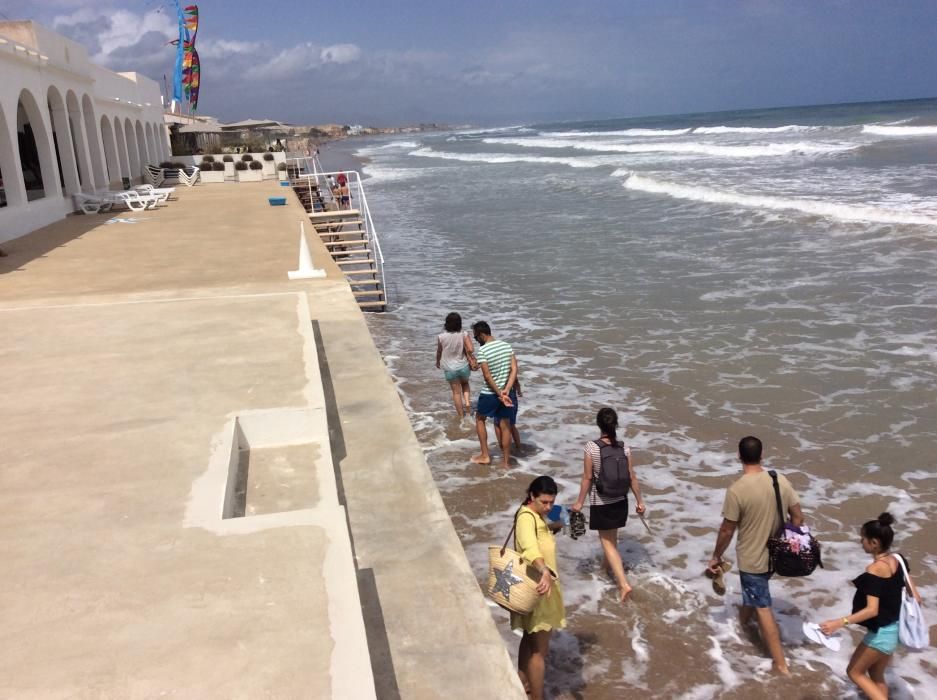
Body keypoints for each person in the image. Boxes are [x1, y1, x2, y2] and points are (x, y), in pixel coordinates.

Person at [708, 435, 803, 675]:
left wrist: (716, 556)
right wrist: (789, 541)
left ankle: (780, 663)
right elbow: (798, 517)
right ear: (762, 455)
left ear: (739, 456)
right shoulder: (778, 479)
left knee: (763, 606)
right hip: (776, 555)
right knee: (754, 595)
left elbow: (727, 529)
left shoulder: (737, 490)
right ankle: (742, 624)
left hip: (753, 559)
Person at [819, 513, 922, 700]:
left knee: (854, 672)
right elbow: (916, 597)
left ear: (874, 543)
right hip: (895, 630)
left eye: (863, 538)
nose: (861, 541)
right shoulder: (898, 560)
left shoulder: (875, 570)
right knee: (875, 675)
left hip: (881, 634)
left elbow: (871, 610)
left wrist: (838, 622)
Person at [571, 407, 645, 601]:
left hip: (601, 502)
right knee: (612, 540)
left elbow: (587, 478)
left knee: (607, 544)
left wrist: (579, 502)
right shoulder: (624, 448)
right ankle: (606, 570)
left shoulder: (591, 447)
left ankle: (623, 584)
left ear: (599, 425)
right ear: (615, 424)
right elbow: (632, 477)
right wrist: (640, 501)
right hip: (621, 501)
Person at [512, 476, 566, 700]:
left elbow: (537, 537)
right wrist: (544, 570)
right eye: (544, 502)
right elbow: (529, 549)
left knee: (529, 637)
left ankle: (522, 682)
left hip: (537, 585)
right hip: (539, 587)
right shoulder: (526, 517)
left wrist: (552, 527)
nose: (549, 507)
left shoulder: (536, 515)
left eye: (552, 502)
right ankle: (537, 697)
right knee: (539, 652)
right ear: (531, 496)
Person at [470, 321, 517, 467]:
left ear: (482, 335)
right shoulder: (506, 346)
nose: (477, 341)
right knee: (505, 425)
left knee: (479, 419)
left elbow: (487, 376)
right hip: (508, 393)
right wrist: (506, 390)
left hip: (490, 393)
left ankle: (485, 455)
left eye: (476, 338)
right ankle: (506, 462)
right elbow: (514, 369)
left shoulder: (483, 351)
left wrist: (499, 393)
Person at [435, 312, 475, 418]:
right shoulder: (464, 334)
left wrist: (437, 361)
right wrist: (469, 353)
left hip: (449, 369)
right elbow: (471, 349)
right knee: (465, 384)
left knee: (456, 393)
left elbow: (439, 352)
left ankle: (461, 416)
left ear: (447, 323)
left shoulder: (441, 337)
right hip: (463, 366)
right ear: (459, 323)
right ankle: (467, 403)